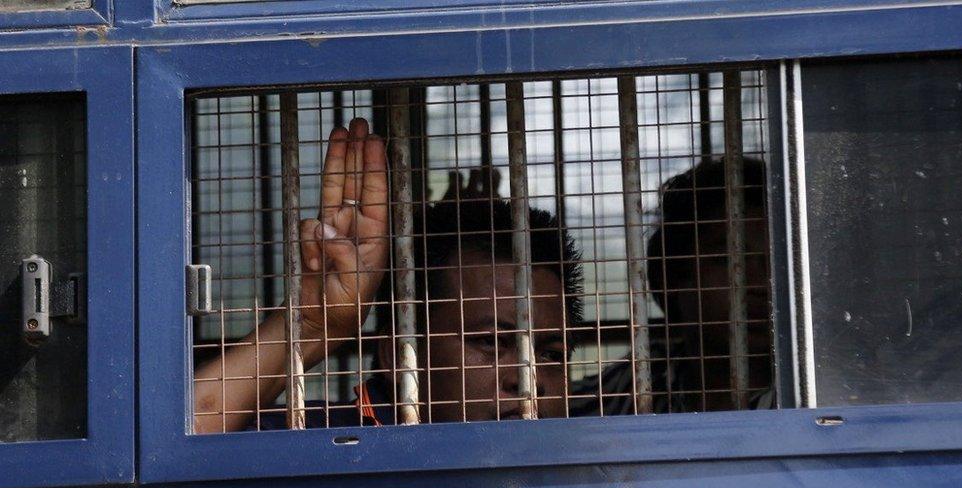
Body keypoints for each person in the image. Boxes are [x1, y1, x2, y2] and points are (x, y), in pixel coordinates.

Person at [194, 118, 583, 432]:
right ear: (398, 354)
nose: (529, 380)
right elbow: (176, 439)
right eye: (489, 341)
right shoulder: (323, 444)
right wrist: (311, 326)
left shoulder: (590, 466)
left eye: (551, 353)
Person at [570, 158, 774, 416]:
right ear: (673, 277)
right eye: (730, 260)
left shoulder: (813, 391)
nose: (760, 284)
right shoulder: (651, 374)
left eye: (778, 264)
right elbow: (559, 411)